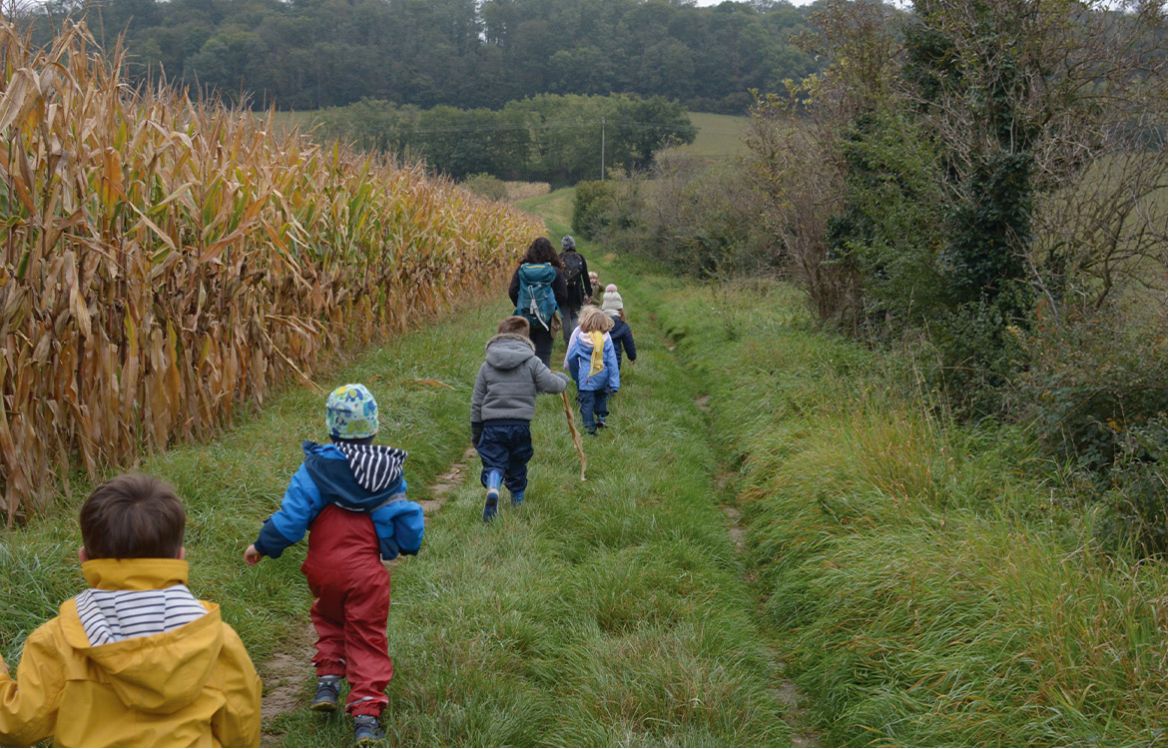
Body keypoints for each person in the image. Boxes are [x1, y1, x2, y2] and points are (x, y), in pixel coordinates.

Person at [0, 474, 261, 748]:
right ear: (180, 557)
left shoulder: (56, 640)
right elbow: (241, 731)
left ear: (84, 559)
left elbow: (17, 725)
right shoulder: (217, 639)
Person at [244, 384, 424, 747]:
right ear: (373, 427)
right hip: (366, 573)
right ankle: (366, 715)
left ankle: (328, 682)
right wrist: (406, 543)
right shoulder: (386, 471)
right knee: (367, 635)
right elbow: (403, 520)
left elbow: (292, 519)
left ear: (331, 426)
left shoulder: (315, 469)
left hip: (323, 568)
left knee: (329, 619)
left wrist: (263, 545)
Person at [471, 315, 571, 521]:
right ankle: (518, 500)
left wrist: (476, 429)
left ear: (499, 336)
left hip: (492, 424)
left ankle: (493, 487)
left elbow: (477, 400)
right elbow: (550, 384)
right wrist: (563, 380)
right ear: (526, 338)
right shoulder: (532, 361)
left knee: (494, 462)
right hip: (520, 424)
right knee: (518, 462)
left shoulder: (487, 365)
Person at [508, 237, 567, 367]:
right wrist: (551, 307)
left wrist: (522, 306)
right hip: (547, 320)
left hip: (524, 318)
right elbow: (563, 295)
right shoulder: (555, 272)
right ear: (551, 252)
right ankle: (542, 385)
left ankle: (525, 384)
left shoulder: (522, 270)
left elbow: (512, 291)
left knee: (525, 353)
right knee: (543, 355)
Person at [564, 306, 620, 435]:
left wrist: (576, 374)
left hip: (586, 378)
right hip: (603, 376)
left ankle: (589, 427)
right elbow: (612, 362)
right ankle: (601, 417)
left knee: (587, 403)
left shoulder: (580, 340)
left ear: (586, 322)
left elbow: (572, 359)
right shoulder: (606, 340)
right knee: (601, 397)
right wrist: (614, 383)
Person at [558, 235, 593, 345]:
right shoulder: (580, 257)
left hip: (563, 292)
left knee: (565, 317)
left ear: (563, 246)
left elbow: (556, 276)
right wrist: (589, 292)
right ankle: (575, 340)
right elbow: (585, 277)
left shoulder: (559, 258)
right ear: (574, 244)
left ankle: (567, 340)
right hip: (577, 292)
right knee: (575, 316)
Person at [601, 284, 637, 369]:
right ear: (620, 308)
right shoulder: (623, 325)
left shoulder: (598, 323)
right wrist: (632, 357)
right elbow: (629, 343)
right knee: (613, 381)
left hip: (598, 360)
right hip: (615, 361)